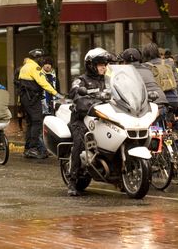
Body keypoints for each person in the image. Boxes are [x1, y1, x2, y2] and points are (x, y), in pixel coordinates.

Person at [68, 48, 112, 196]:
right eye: (100, 64)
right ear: (91, 65)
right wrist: (85, 97)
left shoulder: (108, 81)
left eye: (105, 64)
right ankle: (72, 180)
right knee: (80, 141)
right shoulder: (81, 80)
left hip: (102, 119)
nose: (104, 67)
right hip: (81, 119)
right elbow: (75, 93)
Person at [18, 49, 61, 159]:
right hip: (32, 99)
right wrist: (56, 93)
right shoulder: (34, 67)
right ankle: (33, 148)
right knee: (37, 122)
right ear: (37, 58)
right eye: (40, 58)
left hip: (25, 99)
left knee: (30, 123)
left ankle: (28, 148)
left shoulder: (24, 67)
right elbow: (43, 83)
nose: (42, 60)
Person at [142, 43, 178, 113]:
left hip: (155, 101)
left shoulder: (144, 67)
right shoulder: (169, 63)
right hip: (172, 99)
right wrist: (177, 100)